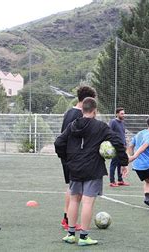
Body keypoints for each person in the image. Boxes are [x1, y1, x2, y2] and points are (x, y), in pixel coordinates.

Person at [54, 97, 129, 246]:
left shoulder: (72, 125)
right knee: (88, 202)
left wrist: (67, 157)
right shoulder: (100, 126)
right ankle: (83, 237)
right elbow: (118, 142)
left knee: (75, 200)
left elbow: (58, 142)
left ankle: (70, 234)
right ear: (95, 111)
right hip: (93, 168)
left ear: (82, 110)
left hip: (74, 167)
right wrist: (124, 161)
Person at [60, 85, 96, 231]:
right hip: (74, 158)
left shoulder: (69, 112)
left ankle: (66, 218)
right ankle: (69, 220)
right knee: (76, 191)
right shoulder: (79, 115)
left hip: (68, 156)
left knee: (72, 188)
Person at [109, 107, 130, 187]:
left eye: (123, 113)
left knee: (120, 164)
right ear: (117, 114)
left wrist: (125, 143)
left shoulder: (122, 122)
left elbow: (122, 134)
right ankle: (112, 181)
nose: (123, 115)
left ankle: (120, 180)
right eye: (121, 113)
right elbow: (109, 132)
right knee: (114, 163)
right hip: (115, 146)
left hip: (122, 146)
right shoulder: (113, 122)